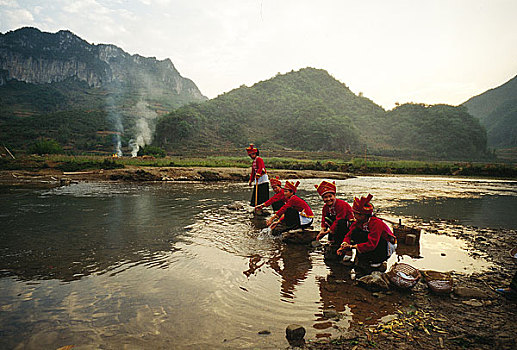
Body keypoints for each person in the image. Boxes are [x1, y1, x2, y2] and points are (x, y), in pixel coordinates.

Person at [337, 194, 397, 272]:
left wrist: (351, 247)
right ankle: (363, 258)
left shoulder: (376, 223)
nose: (354, 216)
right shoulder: (358, 222)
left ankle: (377, 261)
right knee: (356, 233)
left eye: (357, 214)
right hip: (372, 245)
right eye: (354, 213)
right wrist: (344, 244)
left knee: (375, 242)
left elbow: (372, 244)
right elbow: (349, 235)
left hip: (385, 246)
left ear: (364, 215)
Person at [314, 181, 354, 260]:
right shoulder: (325, 207)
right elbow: (323, 219)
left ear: (334, 196)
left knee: (340, 222)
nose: (328, 199)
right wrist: (323, 229)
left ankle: (347, 250)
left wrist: (328, 232)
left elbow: (340, 219)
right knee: (328, 219)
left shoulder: (341, 205)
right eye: (325, 197)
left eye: (330, 196)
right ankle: (333, 241)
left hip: (347, 226)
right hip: (335, 226)